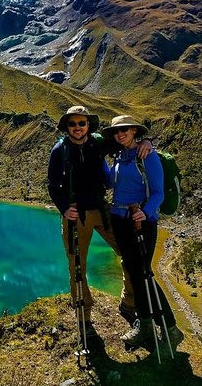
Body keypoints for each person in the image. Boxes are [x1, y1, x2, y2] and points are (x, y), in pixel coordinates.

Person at [47, 106, 149, 332]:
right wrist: (64, 208)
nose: (77, 128)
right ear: (67, 127)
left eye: (81, 123)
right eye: (73, 124)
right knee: (77, 266)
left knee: (130, 255)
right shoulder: (59, 150)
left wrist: (145, 141)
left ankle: (128, 303)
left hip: (103, 210)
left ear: (88, 125)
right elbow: (53, 185)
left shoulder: (98, 143)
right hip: (77, 214)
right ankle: (83, 314)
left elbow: (126, 141)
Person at [102, 115, 184, 348]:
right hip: (120, 221)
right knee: (135, 275)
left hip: (141, 223)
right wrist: (98, 158)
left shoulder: (147, 156)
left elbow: (158, 192)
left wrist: (145, 212)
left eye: (125, 130)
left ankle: (170, 327)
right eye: (117, 131)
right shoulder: (119, 157)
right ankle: (146, 324)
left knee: (144, 276)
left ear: (135, 131)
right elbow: (110, 183)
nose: (120, 134)